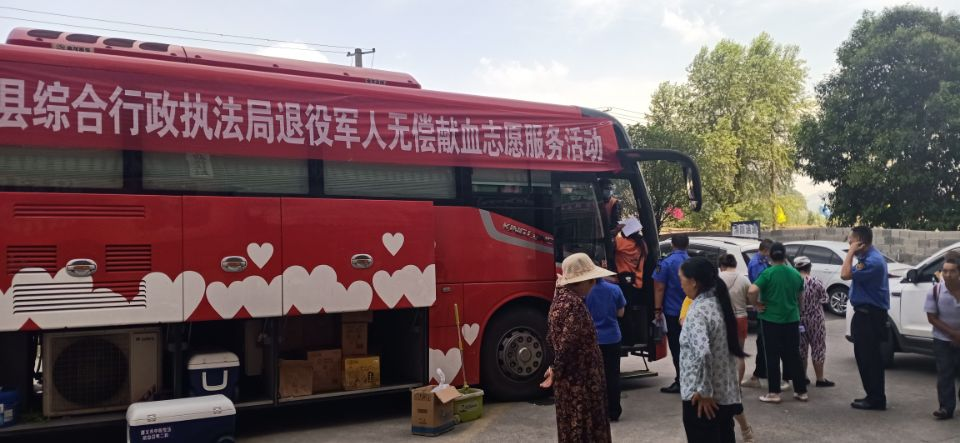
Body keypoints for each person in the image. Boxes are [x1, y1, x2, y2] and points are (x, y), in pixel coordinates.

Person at [541, 253, 613, 443]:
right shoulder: (574, 304)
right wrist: (556, 368)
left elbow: (551, 338)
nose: (593, 285)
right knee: (584, 426)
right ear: (581, 282)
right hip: (582, 381)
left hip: (569, 380)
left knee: (570, 425)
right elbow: (568, 343)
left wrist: (554, 367)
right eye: (591, 280)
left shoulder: (559, 300)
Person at [678, 257, 747, 443]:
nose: (680, 284)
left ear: (693, 282)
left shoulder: (698, 312)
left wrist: (704, 391)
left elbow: (703, 353)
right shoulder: (718, 304)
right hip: (724, 394)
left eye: (681, 279)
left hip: (702, 401)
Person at [749, 242, 808, 403]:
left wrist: (756, 304)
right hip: (791, 319)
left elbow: (752, 290)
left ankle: (774, 392)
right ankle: (801, 391)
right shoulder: (795, 273)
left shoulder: (768, 273)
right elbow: (800, 297)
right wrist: (799, 310)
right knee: (794, 355)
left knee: (772, 356)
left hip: (771, 320)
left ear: (770, 256)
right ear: (784, 255)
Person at [842, 226, 890, 411]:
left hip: (870, 316)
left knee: (869, 359)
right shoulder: (867, 258)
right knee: (865, 357)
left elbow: (845, 274)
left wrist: (850, 252)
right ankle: (873, 395)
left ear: (860, 241)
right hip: (865, 314)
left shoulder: (872, 261)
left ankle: (876, 399)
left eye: (851, 241)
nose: (849, 243)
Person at [586, 277, 627, 421]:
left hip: (593, 339)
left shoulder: (585, 291)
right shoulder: (615, 289)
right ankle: (614, 411)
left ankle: (598, 411)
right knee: (613, 375)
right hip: (612, 338)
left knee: (594, 376)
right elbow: (621, 313)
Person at [925, 252, 960, 420]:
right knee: (945, 373)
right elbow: (932, 318)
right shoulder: (935, 291)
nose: (948, 274)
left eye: (952, 271)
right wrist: (953, 334)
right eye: (945, 271)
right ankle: (946, 407)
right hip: (942, 340)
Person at [654, 234, 691, 394]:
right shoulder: (692, 262)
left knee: (677, 348)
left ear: (672, 245)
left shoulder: (666, 262)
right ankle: (692, 380)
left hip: (673, 312)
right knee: (691, 347)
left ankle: (681, 381)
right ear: (687, 245)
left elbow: (659, 287)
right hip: (691, 312)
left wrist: (657, 310)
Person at [794, 256, 835, 388]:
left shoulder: (793, 282)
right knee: (818, 348)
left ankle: (803, 377)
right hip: (816, 319)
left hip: (798, 319)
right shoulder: (816, 282)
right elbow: (825, 299)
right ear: (809, 267)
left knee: (801, 349)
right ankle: (820, 379)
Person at [743, 239, 775, 388]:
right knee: (762, 341)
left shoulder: (764, 261)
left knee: (766, 341)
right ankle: (760, 373)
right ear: (766, 250)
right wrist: (756, 304)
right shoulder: (756, 263)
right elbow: (758, 286)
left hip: (767, 305)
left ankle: (762, 371)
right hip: (762, 306)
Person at [614, 217, 648, 290]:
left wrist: (616, 230)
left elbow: (608, 241)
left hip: (624, 281)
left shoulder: (621, 242)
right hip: (638, 282)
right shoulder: (642, 244)